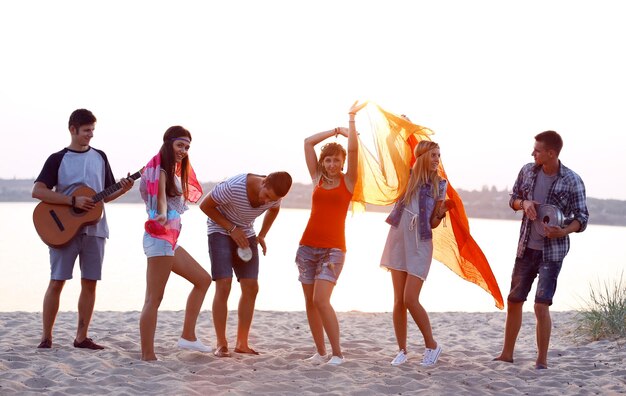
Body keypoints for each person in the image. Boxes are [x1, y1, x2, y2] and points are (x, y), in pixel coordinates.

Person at [32, 108, 134, 350]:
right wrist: (72, 201)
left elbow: (106, 195)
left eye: (93, 130)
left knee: (90, 282)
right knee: (57, 282)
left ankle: (81, 337)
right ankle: (46, 338)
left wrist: (124, 189)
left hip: (96, 230)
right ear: (73, 130)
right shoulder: (57, 158)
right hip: (62, 230)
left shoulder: (100, 156)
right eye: (86, 130)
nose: (90, 135)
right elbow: (38, 191)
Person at [494, 130, 588, 369]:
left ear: (551, 153)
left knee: (540, 305)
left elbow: (582, 217)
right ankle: (506, 354)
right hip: (526, 247)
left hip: (552, 252)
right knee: (514, 300)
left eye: (537, 150)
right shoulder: (527, 170)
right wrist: (523, 203)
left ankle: (541, 361)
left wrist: (563, 231)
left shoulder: (572, 180)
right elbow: (513, 198)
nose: (532, 153)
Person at [296, 101, 367, 366]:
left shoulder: (349, 181)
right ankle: (320, 351)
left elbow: (353, 146)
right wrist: (333, 130)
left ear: (343, 162)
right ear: (323, 163)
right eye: (328, 159)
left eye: (337, 159)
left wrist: (348, 121)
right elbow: (307, 143)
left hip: (333, 250)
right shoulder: (317, 178)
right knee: (310, 303)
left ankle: (337, 353)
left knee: (321, 300)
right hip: (306, 247)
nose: (332, 163)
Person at [138, 126, 212, 361]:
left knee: (203, 279)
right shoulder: (160, 169)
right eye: (180, 145)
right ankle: (148, 355)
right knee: (153, 299)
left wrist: (163, 214)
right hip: (158, 239)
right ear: (169, 143)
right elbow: (160, 198)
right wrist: (160, 213)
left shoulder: (171, 169)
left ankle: (188, 336)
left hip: (168, 241)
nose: (183, 150)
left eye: (187, 147)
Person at [199, 171, 292, 357]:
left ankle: (242, 343)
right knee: (224, 284)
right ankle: (222, 343)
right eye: (266, 195)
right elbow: (205, 206)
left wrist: (263, 234)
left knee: (251, 287)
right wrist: (232, 229)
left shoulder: (274, 197)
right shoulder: (234, 187)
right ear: (264, 182)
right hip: (219, 231)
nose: (266, 201)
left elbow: (274, 210)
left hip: (247, 233)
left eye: (271, 199)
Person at [380, 140, 452, 367]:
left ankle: (432, 345)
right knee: (398, 301)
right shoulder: (407, 176)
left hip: (420, 243)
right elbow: (393, 153)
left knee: (410, 298)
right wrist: (399, 132)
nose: (436, 160)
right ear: (421, 156)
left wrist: (440, 213)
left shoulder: (440, 184)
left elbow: (432, 224)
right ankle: (402, 350)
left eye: (438, 156)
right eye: (433, 155)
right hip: (398, 238)